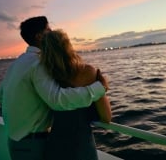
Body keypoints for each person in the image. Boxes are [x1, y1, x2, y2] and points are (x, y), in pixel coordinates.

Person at [0, 16, 108, 160]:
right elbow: (57, 100)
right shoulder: (38, 63)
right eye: (48, 30)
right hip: (32, 144)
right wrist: (99, 88)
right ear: (39, 36)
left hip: (14, 140)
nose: (52, 32)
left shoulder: (17, 63)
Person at [41, 29, 112, 160]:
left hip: (54, 145)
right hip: (81, 145)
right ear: (68, 47)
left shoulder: (46, 77)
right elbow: (106, 117)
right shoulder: (87, 72)